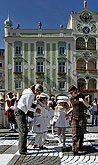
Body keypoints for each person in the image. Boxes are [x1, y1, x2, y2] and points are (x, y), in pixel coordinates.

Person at [15, 84, 43, 155]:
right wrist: (35, 110)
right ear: (36, 90)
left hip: (21, 111)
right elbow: (28, 107)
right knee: (23, 130)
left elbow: (28, 106)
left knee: (23, 130)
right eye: (39, 92)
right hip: (20, 111)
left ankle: (22, 147)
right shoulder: (31, 94)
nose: (38, 94)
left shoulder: (28, 93)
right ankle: (22, 150)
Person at [67, 85, 89, 156]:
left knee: (81, 133)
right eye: (70, 92)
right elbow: (73, 107)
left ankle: (79, 146)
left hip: (82, 117)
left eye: (71, 92)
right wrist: (67, 113)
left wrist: (82, 101)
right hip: (74, 117)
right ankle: (74, 150)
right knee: (74, 134)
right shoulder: (71, 98)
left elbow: (87, 105)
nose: (70, 93)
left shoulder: (81, 96)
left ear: (74, 91)